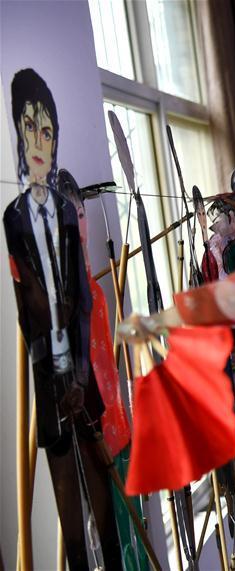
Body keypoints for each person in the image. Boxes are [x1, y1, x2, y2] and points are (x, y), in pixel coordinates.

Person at [4, 68, 121, 570]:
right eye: (29, 126)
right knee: (72, 526)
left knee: (105, 512)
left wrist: (76, 373)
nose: (38, 138)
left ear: (55, 139)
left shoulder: (69, 214)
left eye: (46, 129)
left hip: (81, 378)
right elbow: (28, 308)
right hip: (48, 384)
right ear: (16, 131)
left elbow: (81, 299)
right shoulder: (12, 219)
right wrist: (54, 377)